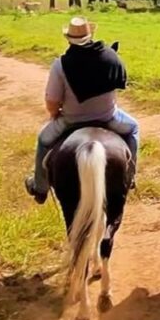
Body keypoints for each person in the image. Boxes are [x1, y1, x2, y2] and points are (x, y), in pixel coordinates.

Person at [24, 17, 140, 204]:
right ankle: (130, 176)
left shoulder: (60, 64)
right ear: (90, 35)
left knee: (43, 140)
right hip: (108, 117)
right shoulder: (111, 56)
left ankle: (40, 187)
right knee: (133, 128)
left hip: (71, 120)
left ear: (69, 39)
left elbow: (52, 102)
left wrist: (55, 114)